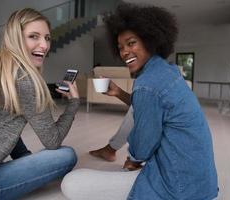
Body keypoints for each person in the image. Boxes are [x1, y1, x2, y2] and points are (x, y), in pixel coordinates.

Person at [61, 2, 218, 200]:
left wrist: (134, 157)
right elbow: (151, 106)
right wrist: (119, 92)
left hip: (177, 188)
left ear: (150, 40)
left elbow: (141, 149)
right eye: (120, 47)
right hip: (201, 184)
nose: (124, 51)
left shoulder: (147, 84)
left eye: (131, 43)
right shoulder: (168, 71)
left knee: (71, 183)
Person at [0, 8, 80, 200]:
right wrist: (74, 103)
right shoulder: (24, 80)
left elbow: (0, 124)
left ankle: (24, 158)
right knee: (67, 154)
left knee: (8, 119)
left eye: (47, 38)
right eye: (34, 36)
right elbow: (53, 141)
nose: (44, 45)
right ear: (16, 38)